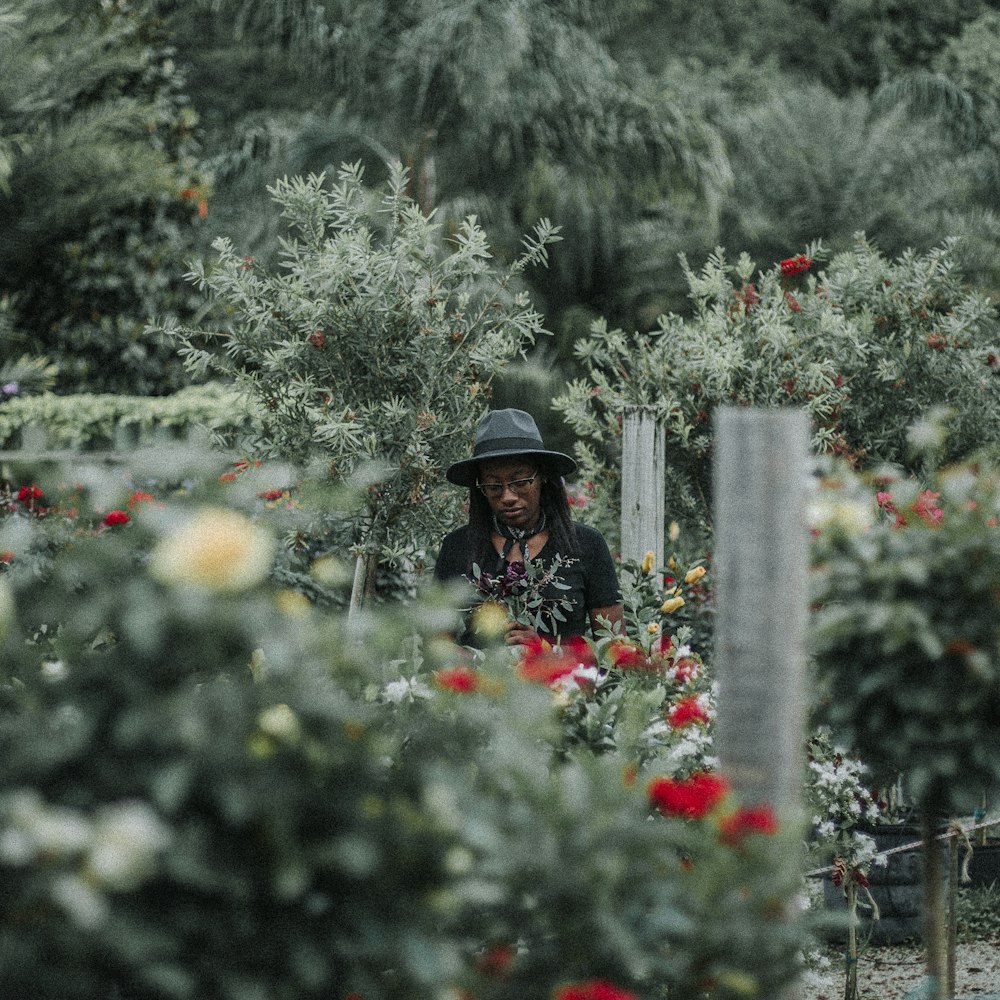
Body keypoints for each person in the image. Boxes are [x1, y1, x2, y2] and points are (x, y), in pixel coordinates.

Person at [435, 408, 623, 646]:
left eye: (521, 482)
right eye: (493, 486)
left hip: (562, 682)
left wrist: (546, 653)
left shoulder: (586, 545)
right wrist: (480, 663)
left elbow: (614, 650)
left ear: (542, 476)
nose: (508, 496)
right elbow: (438, 647)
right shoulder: (458, 547)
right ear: (479, 488)